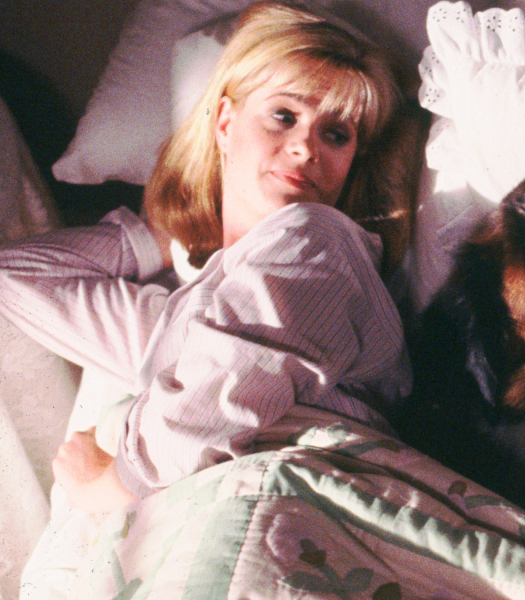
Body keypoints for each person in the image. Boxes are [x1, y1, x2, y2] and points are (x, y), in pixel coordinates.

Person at [0, 0, 422, 513]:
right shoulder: (188, 314)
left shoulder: (320, 242)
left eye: (336, 134)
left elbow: (219, 397)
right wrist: (159, 237)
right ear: (224, 123)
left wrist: (107, 486)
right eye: (284, 116)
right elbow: (14, 275)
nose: (306, 147)